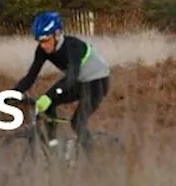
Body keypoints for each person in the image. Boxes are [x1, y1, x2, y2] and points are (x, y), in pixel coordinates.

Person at [12, 11, 112, 153]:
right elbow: (30, 77)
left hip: (97, 82)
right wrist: (11, 94)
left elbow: (71, 78)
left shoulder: (73, 47)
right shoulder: (42, 50)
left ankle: (93, 160)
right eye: (39, 41)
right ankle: (54, 146)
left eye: (46, 40)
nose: (43, 45)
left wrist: (49, 96)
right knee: (48, 106)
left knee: (77, 123)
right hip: (80, 81)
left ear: (57, 35)